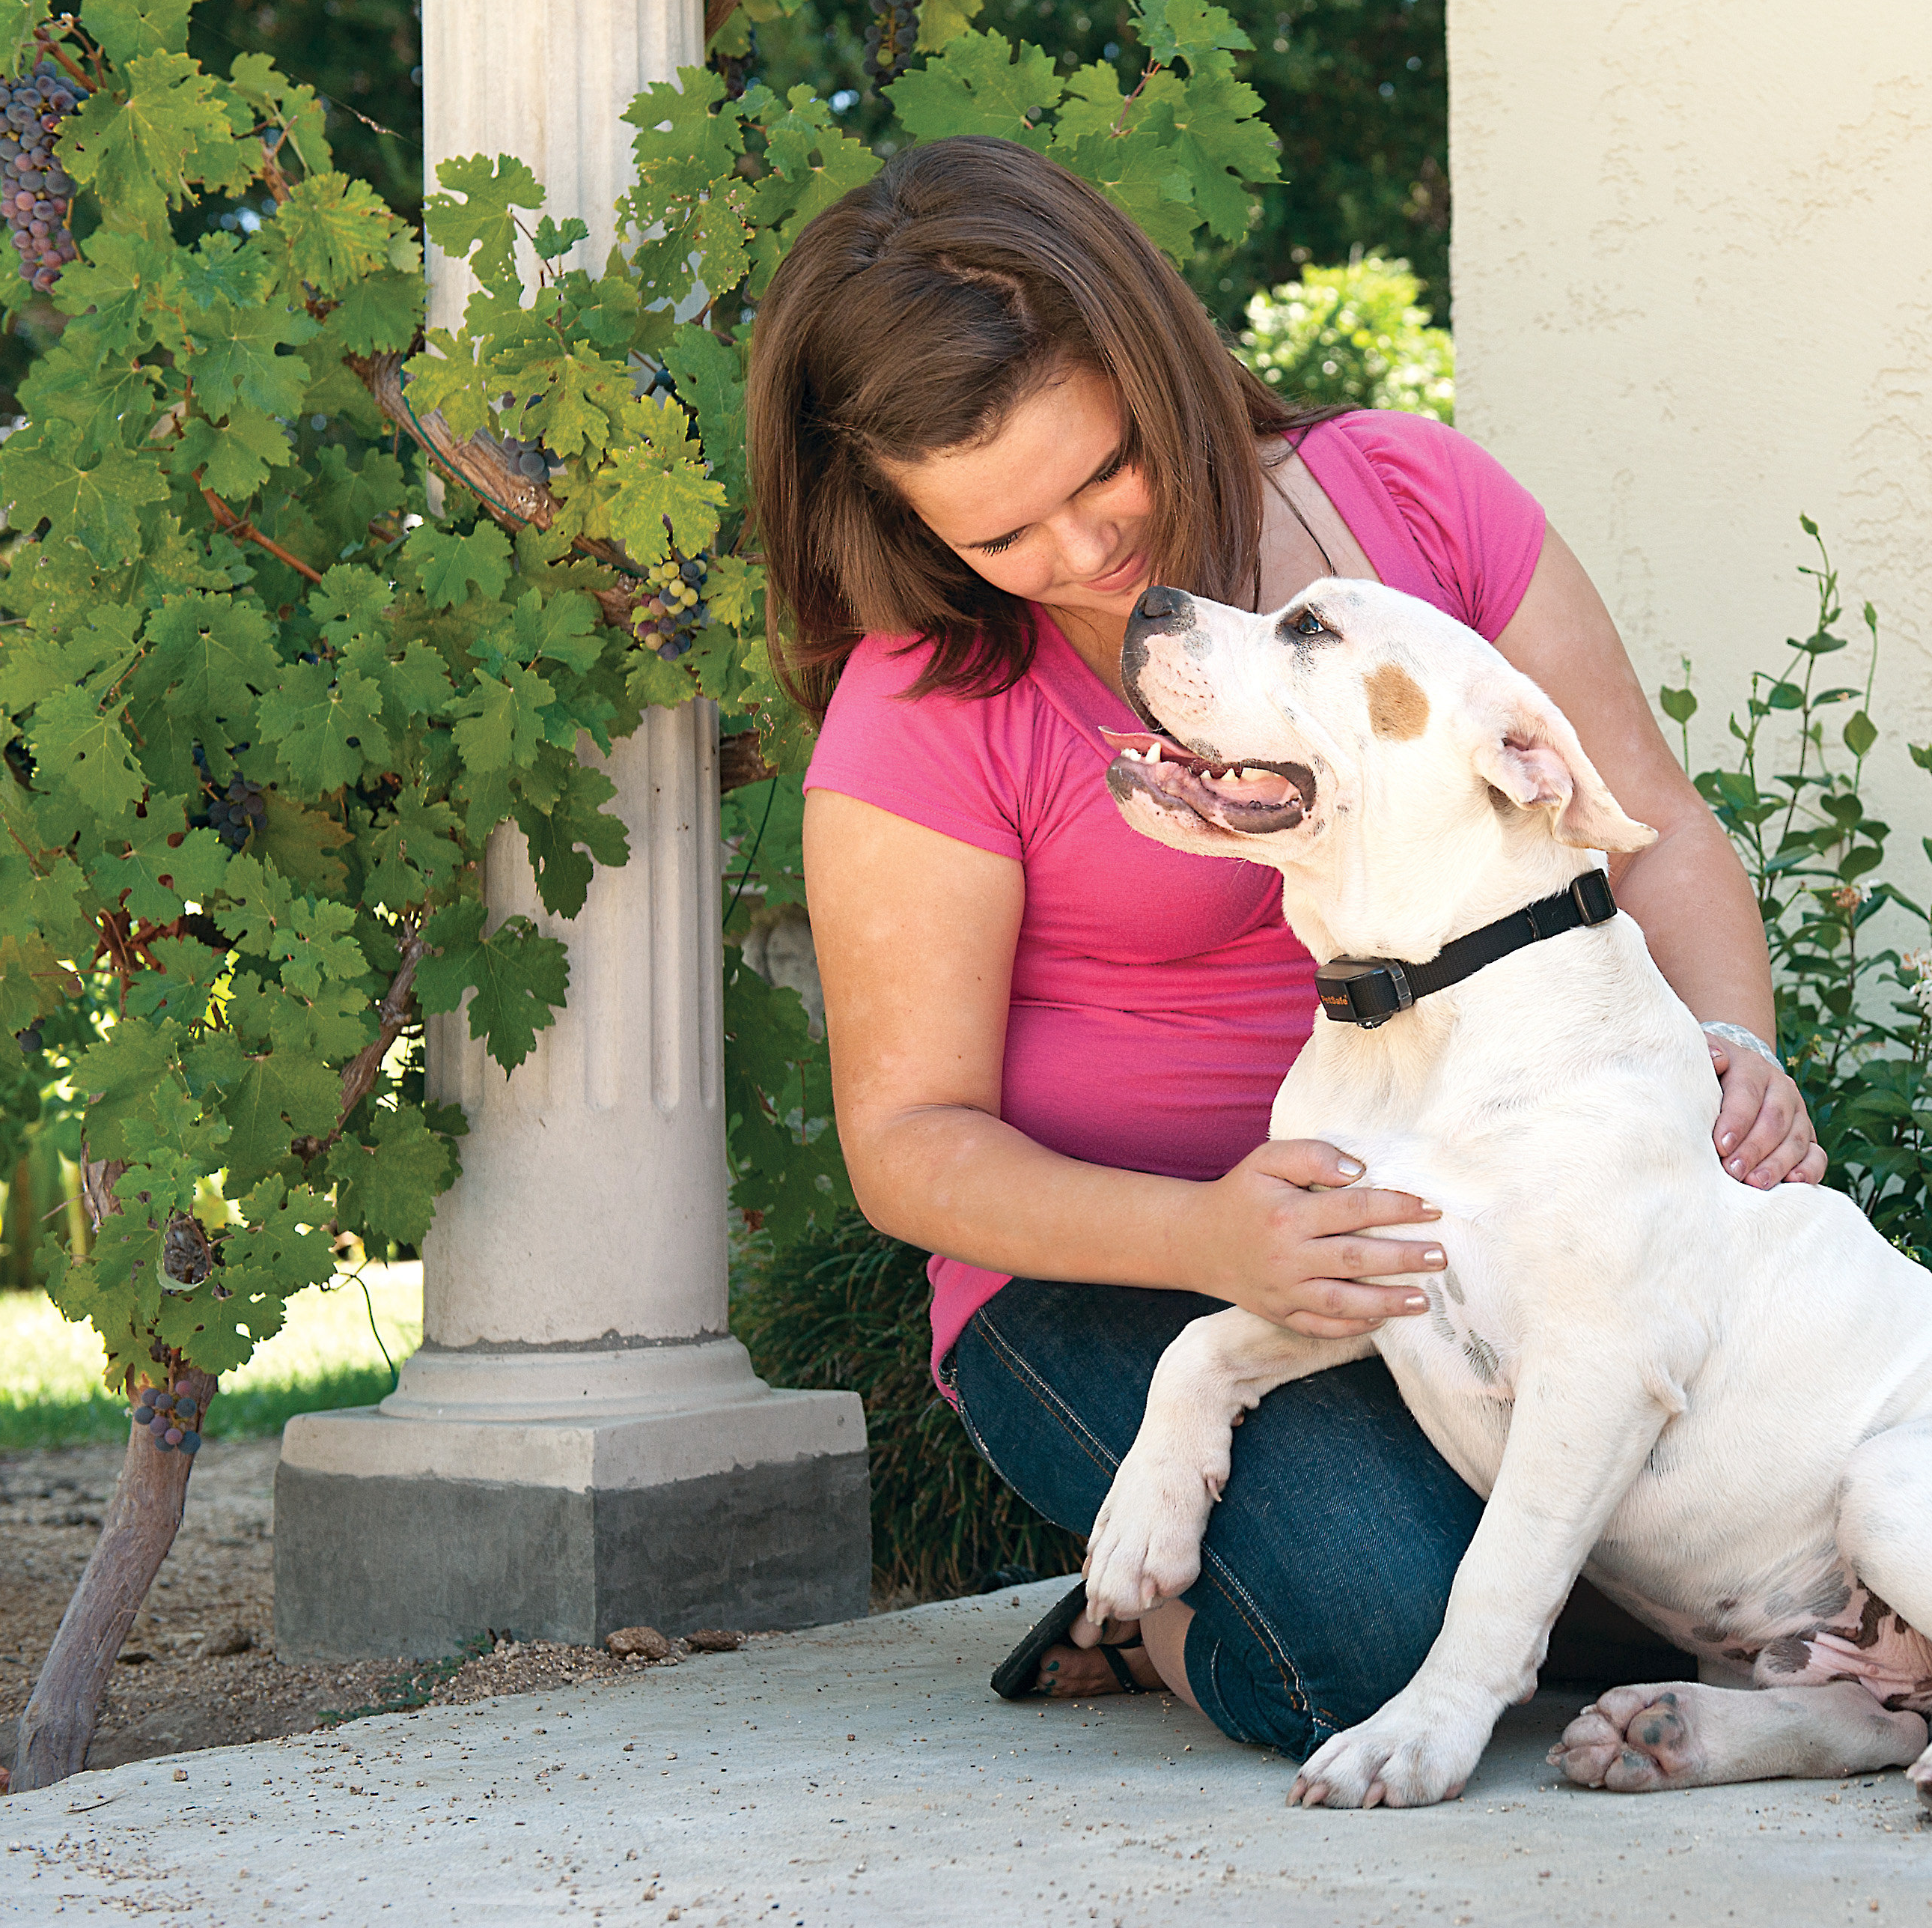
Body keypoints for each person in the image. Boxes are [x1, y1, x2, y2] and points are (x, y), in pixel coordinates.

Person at [749, 135, 1824, 1762]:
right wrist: (1208, 1238)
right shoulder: (926, 701)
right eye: (1001, 537)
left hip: (1483, 1197)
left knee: (1825, 1488)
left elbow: (1644, 823)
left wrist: (1731, 1055)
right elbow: (908, 1141)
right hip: (1116, 1261)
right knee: (1370, 1639)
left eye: (1102, 472)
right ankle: (1152, 1608)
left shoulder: (1409, 498)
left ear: (1151, 356)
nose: (1084, 556)